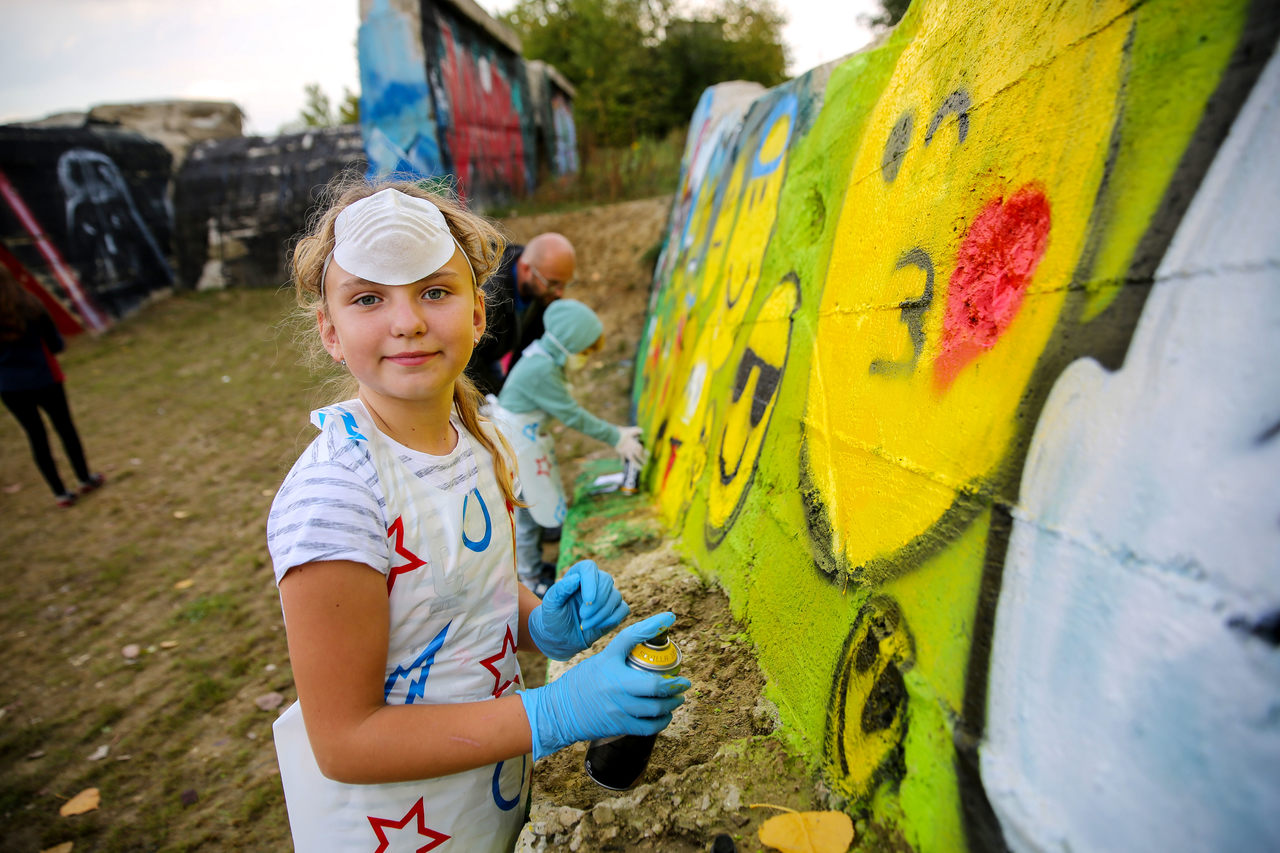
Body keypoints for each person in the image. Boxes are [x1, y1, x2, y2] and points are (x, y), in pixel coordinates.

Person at [265, 179, 689, 851]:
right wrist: (555, 710)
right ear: (330, 330)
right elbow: (346, 742)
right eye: (369, 298)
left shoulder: (477, 437)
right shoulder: (334, 499)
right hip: (403, 832)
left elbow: (468, 591)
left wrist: (538, 620)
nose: (406, 321)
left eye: (434, 291)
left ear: (476, 315)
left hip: (489, 800)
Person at [490, 299, 645, 596]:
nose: (586, 359)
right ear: (570, 345)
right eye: (585, 352)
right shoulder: (541, 370)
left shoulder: (544, 357)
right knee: (526, 512)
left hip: (525, 440)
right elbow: (572, 415)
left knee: (535, 507)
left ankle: (533, 565)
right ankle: (530, 578)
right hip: (515, 446)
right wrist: (616, 437)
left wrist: (615, 433)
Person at [0, 266, 105, 508]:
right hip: (44, 378)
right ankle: (84, 477)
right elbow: (55, 344)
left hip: (10, 386)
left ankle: (60, 493)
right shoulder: (30, 305)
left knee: (36, 436)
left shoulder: (28, 304)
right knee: (65, 427)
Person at [466, 232, 576, 396]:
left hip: (490, 355)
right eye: (553, 284)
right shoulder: (490, 296)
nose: (559, 293)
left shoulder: (542, 293)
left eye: (563, 285)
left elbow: (528, 348)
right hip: (469, 359)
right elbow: (470, 359)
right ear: (526, 268)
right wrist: (497, 397)